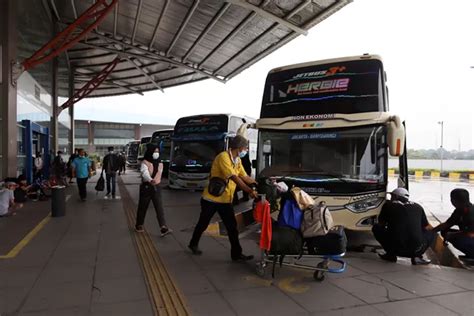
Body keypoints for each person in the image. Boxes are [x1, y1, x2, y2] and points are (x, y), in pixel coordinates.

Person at [188, 135, 258, 261]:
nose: (246, 150)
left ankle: (236, 254)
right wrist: (248, 190)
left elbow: (244, 176)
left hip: (225, 200)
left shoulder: (237, 160)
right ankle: (193, 243)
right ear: (239, 147)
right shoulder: (223, 157)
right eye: (245, 148)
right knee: (203, 224)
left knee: (232, 227)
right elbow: (234, 177)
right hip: (211, 199)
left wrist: (256, 184)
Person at [372, 187, 435, 265]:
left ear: (396, 197)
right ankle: (417, 257)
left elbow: (381, 224)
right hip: (415, 250)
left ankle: (390, 255)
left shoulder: (388, 205)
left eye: (392, 196)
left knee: (376, 228)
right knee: (432, 231)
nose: (390, 198)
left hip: (394, 248)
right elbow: (427, 227)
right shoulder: (418, 206)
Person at [135, 143, 171, 236]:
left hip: (157, 187)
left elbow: (159, 173)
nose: (156, 153)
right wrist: (150, 180)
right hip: (146, 187)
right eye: (155, 151)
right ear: (150, 152)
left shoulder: (160, 163)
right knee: (143, 207)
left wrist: (155, 181)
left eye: (157, 151)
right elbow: (144, 173)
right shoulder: (145, 162)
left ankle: (163, 227)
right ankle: (139, 225)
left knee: (159, 207)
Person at [432, 188, 474, 259]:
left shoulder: (471, 213)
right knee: (445, 231)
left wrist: (452, 234)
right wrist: (431, 231)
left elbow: (470, 234)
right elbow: (447, 224)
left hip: (471, 235)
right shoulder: (459, 211)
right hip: (469, 235)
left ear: (453, 200)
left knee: (459, 240)